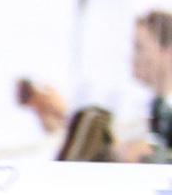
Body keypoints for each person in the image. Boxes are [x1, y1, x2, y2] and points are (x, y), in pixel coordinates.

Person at [22, 11, 172, 165]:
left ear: (168, 50)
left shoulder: (163, 111)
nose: (132, 57)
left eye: (139, 47)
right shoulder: (151, 107)